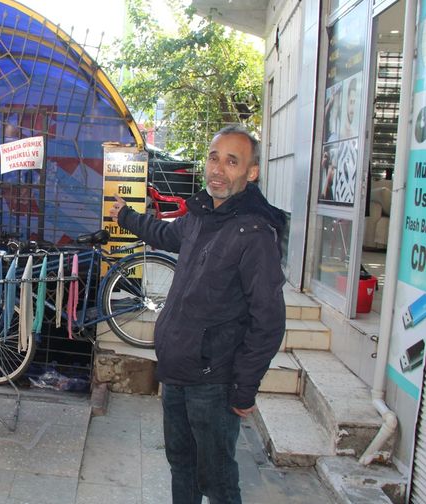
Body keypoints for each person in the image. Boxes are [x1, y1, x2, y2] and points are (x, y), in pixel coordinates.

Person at [109, 125, 286, 504]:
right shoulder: (203, 214)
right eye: (213, 157)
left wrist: (244, 388)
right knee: (181, 465)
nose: (218, 169)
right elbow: (167, 235)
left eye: (232, 161)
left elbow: (268, 322)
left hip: (214, 381)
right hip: (177, 369)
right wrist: (127, 217)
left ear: (251, 172)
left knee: (217, 481)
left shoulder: (255, 234)